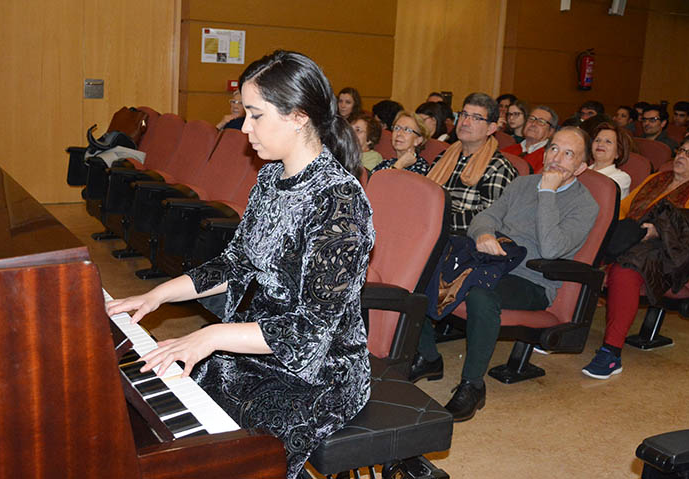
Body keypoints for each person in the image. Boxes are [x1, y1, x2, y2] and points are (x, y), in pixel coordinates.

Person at [106, 50, 374, 479]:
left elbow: (309, 331)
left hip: (319, 373)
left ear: (299, 116)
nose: (244, 128)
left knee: (231, 458)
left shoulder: (339, 202)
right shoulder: (270, 179)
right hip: (255, 348)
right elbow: (233, 264)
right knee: (157, 409)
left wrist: (211, 335)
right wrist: (157, 294)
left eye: (256, 115)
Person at [412, 127, 599, 421]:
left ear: (582, 166)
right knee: (422, 271)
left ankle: (473, 385)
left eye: (568, 154)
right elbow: (485, 216)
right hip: (494, 262)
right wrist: (485, 234)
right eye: (553, 149)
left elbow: (551, 249)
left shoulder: (585, 205)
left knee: (480, 296)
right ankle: (428, 356)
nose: (556, 158)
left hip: (534, 280)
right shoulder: (523, 184)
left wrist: (548, 192)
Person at [582, 135, 689, 379]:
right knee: (587, 248)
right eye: (681, 150)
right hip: (633, 239)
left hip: (669, 253)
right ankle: (564, 329)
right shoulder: (657, 178)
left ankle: (611, 353)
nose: (681, 156)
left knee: (625, 269)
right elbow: (623, 208)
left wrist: (658, 230)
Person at [426, 92, 518, 233]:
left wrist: (437, 222)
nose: (465, 122)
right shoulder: (444, 156)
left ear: (491, 128)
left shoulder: (498, 167)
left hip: (463, 239)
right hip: (429, 228)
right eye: (464, 115)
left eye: (476, 118)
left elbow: (490, 217)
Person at [502, 105, 559, 174]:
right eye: (531, 119)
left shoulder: (550, 158)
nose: (533, 124)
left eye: (541, 122)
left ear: (551, 131)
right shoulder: (507, 151)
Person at [372, 110, 430, 175]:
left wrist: (399, 165)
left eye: (407, 130)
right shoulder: (385, 163)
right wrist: (399, 164)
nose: (399, 133)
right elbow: (371, 184)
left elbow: (386, 183)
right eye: (397, 128)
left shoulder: (421, 168)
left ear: (418, 140)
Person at [589, 122, 632, 198]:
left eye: (608, 142)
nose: (600, 144)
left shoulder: (622, 178)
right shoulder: (582, 170)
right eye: (597, 140)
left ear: (618, 152)